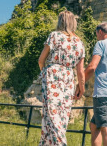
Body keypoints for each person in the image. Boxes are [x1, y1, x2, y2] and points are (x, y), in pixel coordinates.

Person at [38, 10, 85, 146]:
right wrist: (81, 88)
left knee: (52, 114)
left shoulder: (54, 36)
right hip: (69, 78)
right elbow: (80, 71)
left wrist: (45, 73)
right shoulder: (79, 42)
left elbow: (41, 60)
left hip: (52, 75)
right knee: (62, 115)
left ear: (60, 21)